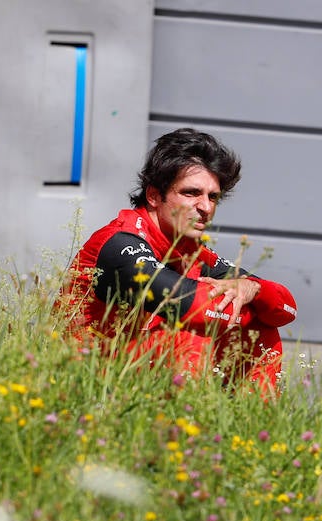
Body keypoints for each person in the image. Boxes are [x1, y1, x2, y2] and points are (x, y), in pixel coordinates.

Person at [59, 128, 297, 396]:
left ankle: (248, 428)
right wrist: (242, 302)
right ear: (153, 195)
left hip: (140, 384)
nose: (205, 207)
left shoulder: (189, 250)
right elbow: (193, 308)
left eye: (213, 197)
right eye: (191, 193)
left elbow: (286, 309)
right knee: (199, 324)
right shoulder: (120, 243)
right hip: (87, 389)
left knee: (262, 326)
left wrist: (252, 289)